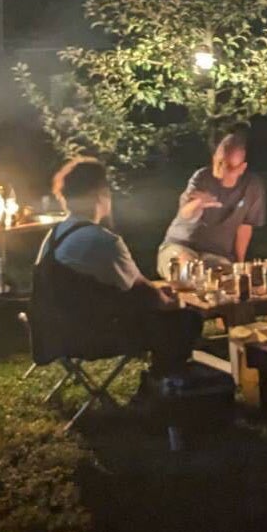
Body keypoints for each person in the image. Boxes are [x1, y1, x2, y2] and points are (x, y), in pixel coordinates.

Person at [36, 157, 202, 374]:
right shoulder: (102, 240)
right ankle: (163, 381)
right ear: (99, 196)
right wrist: (170, 302)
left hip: (54, 333)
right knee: (187, 320)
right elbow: (141, 290)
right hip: (92, 338)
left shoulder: (55, 235)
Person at [157, 132, 266, 277]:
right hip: (182, 246)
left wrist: (239, 264)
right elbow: (185, 213)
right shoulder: (202, 177)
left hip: (216, 254)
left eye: (229, 167)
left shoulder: (252, 186)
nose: (221, 171)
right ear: (214, 158)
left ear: (242, 168)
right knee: (188, 272)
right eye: (219, 163)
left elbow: (245, 227)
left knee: (226, 279)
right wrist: (198, 203)